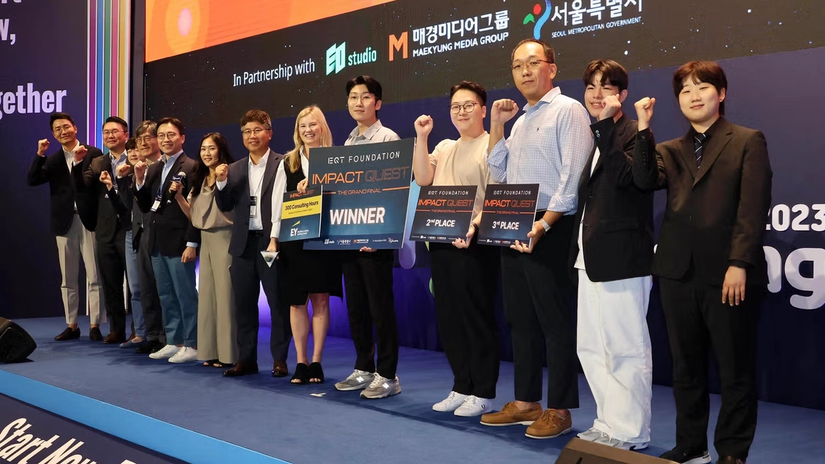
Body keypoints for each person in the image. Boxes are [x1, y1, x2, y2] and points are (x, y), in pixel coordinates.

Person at [632, 61, 772, 464]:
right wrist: (643, 128)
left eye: (702, 87)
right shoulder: (668, 149)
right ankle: (691, 445)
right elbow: (643, 181)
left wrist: (739, 262)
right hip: (676, 273)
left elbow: (753, 207)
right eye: (685, 90)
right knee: (685, 367)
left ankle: (732, 451)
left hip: (729, 274)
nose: (693, 96)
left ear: (721, 94)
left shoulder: (747, 140)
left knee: (734, 368)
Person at [480, 39, 592, 439]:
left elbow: (572, 178)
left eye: (532, 63)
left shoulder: (568, 110)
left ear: (552, 68)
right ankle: (526, 403)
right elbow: (499, 171)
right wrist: (497, 124)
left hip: (552, 226)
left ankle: (559, 409)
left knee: (555, 321)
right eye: (517, 66)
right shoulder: (522, 119)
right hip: (515, 222)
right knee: (521, 319)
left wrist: (544, 224)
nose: (525, 71)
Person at [570, 60, 654, 450]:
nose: (596, 94)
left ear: (622, 94)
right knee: (591, 346)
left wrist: (605, 126)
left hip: (623, 258)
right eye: (591, 86)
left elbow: (631, 180)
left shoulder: (633, 133)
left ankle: (631, 430)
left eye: (605, 86)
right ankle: (608, 421)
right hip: (590, 257)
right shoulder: (597, 136)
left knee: (625, 347)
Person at [412, 81, 500, 416]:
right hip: (441, 241)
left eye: (468, 105)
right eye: (455, 106)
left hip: (475, 243)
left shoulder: (492, 145)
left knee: (476, 316)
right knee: (449, 317)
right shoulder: (445, 146)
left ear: (483, 109)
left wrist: (474, 225)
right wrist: (422, 137)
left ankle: (483, 391)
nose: (461, 111)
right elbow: (423, 178)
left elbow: (496, 194)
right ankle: (461, 385)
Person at [333, 75, 402, 399]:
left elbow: (394, 191)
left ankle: (388, 374)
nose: (358, 103)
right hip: (350, 237)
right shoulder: (348, 142)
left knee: (380, 309)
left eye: (364, 97)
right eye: (353, 97)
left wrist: (380, 235)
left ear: (378, 103)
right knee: (356, 307)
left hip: (376, 240)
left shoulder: (388, 138)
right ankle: (364, 367)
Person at [267, 105, 343, 385]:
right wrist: (274, 239)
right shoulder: (288, 162)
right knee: (297, 302)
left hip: (325, 237)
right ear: (297, 131)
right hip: (295, 238)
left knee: (321, 299)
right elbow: (278, 203)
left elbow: (345, 194)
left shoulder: (335, 159)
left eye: (313, 124)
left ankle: (317, 362)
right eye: (303, 126)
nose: (308, 130)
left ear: (322, 126)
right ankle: (301, 361)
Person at [216, 110, 292, 378]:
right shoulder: (234, 168)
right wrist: (221, 183)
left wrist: (276, 239)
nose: (252, 135)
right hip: (243, 244)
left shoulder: (284, 163)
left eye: (257, 130)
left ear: (269, 133)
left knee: (278, 303)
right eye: (247, 131)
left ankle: (280, 359)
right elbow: (225, 205)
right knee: (243, 305)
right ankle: (246, 359)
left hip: (271, 242)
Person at [27, 112, 105, 341]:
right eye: (58, 129)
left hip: (90, 220)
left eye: (66, 127)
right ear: (53, 134)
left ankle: (95, 324)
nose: (63, 132)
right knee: (68, 279)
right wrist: (40, 154)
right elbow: (32, 180)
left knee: (94, 275)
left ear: (75, 128)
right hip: (64, 222)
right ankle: (72, 325)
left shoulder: (93, 153)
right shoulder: (52, 160)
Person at [133, 117, 200, 364]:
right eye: (161, 136)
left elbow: (196, 211)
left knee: (185, 294)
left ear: (182, 138)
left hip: (179, 241)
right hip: (156, 241)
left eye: (170, 135)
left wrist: (192, 243)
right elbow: (145, 205)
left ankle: (192, 343)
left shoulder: (191, 167)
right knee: (166, 295)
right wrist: (139, 179)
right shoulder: (154, 168)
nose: (165, 140)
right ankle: (175, 341)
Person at [173, 133, 237, 369]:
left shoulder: (231, 173)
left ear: (221, 150)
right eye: (203, 149)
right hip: (206, 239)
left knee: (225, 297)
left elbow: (229, 207)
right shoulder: (198, 178)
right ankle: (210, 351)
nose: (207, 153)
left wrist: (221, 180)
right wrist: (179, 198)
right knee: (208, 297)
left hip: (225, 238)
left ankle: (228, 354)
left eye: (211, 148)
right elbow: (195, 216)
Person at [82, 116, 131, 344]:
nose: (110, 136)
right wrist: (77, 165)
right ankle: (117, 329)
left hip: (129, 229)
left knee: (137, 285)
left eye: (114, 131)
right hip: (105, 231)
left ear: (126, 135)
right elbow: (83, 188)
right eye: (106, 133)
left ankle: (141, 330)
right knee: (111, 284)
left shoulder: (136, 159)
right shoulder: (97, 162)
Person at [128, 121, 166, 354]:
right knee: (146, 289)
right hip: (140, 233)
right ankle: (152, 335)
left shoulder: (166, 167)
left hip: (161, 234)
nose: (143, 143)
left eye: (148, 138)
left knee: (164, 289)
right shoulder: (137, 168)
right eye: (139, 139)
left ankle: (168, 336)